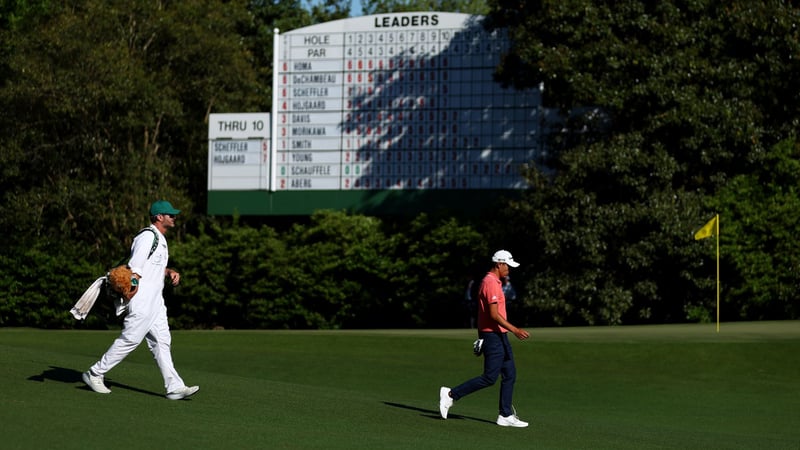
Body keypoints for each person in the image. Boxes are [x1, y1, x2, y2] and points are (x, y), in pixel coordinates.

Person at [82, 200, 199, 400]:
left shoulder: (161, 239)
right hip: (142, 300)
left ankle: (174, 387)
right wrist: (131, 293)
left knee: (162, 342)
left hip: (156, 302)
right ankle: (95, 373)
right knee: (130, 339)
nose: (174, 217)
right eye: (170, 215)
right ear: (159, 217)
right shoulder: (147, 236)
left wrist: (169, 271)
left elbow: (151, 267)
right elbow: (135, 267)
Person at [439, 250, 530, 427]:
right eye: (508, 267)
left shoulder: (495, 281)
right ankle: (451, 395)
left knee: (510, 374)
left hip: (499, 334)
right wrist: (515, 330)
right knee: (490, 377)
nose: (509, 271)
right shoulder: (490, 283)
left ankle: (505, 415)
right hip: (492, 335)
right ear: (499, 264)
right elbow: (494, 315)